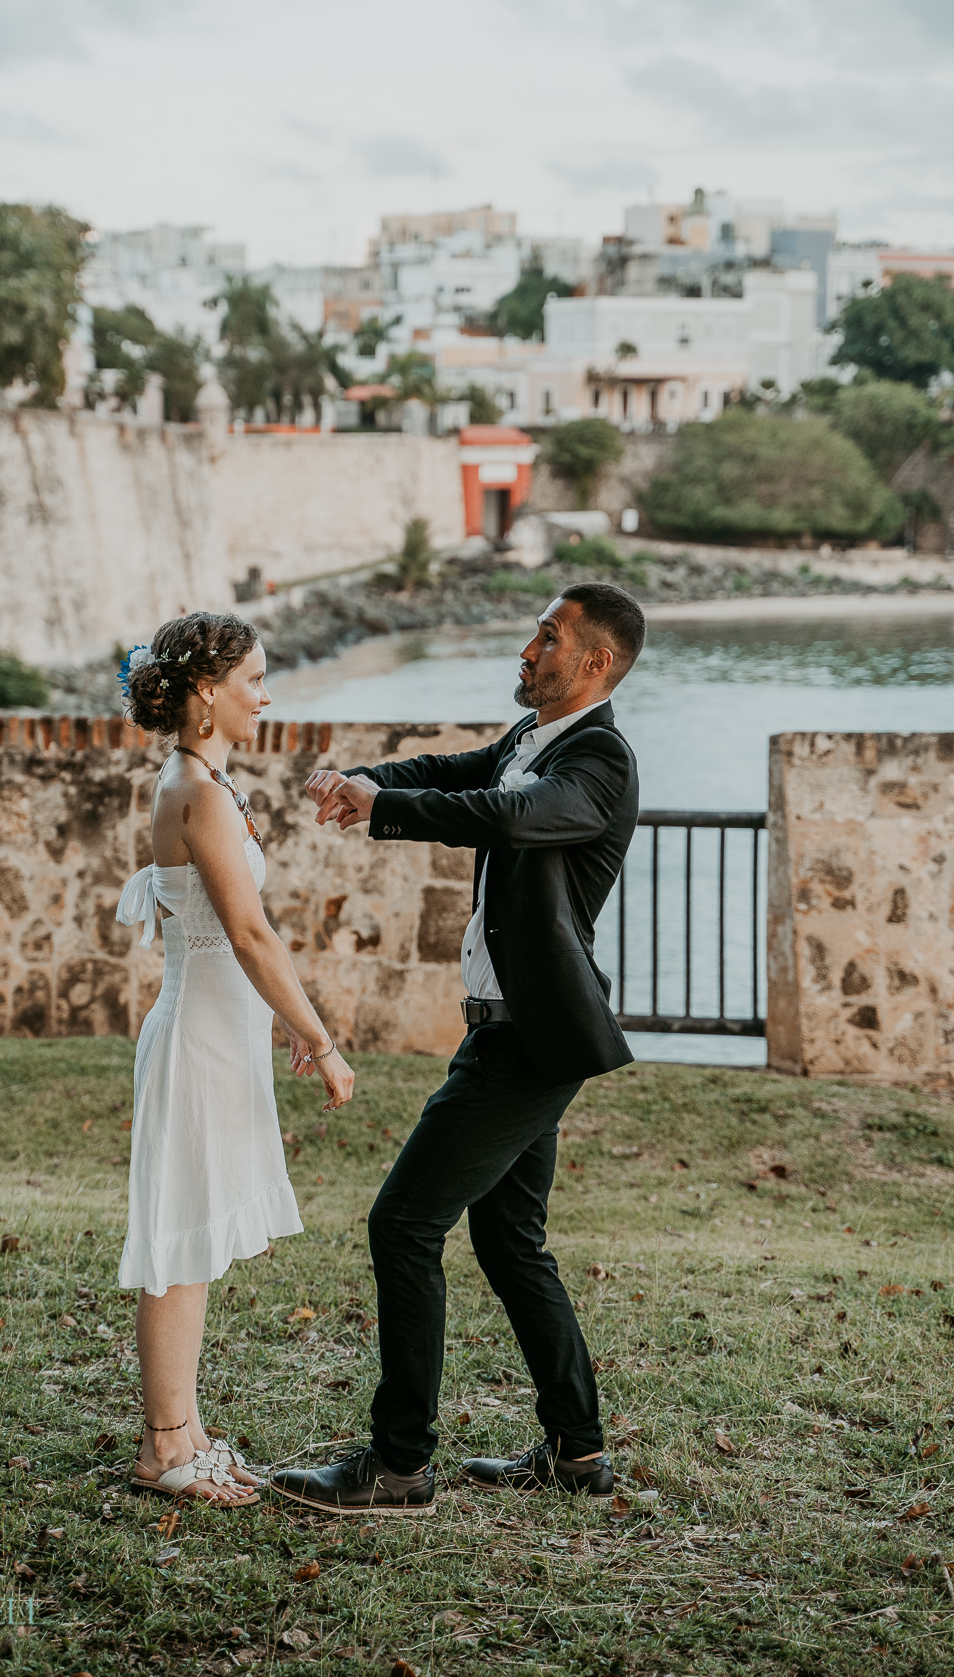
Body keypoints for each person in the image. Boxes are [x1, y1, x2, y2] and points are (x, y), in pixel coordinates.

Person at [270, 580, 645, 1517]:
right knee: (509, 1239)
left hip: (529, 1041)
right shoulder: (531, 740)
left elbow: (511, 817)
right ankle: (577, 1452)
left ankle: (398, 1467)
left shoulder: (598, 762)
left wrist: (383, 809)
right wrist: (368, 782)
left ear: (594, 662)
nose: (528, 648)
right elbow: (455, 773)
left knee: (402, 1225)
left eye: (548, 637)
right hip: (509, 1031)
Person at [115, 612, 355, 1506]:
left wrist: (281, 1026)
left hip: (224, 1036)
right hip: (198, 1042)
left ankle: (186, 1430)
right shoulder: (197, 790)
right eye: (255, 677)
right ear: (207, 693)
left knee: (198, 1236)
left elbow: (239, 936)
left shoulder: (204, 779)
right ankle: (166, 1448)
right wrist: (320, 1038)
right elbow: (250, 935)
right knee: (178, 1240)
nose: (267, 693)